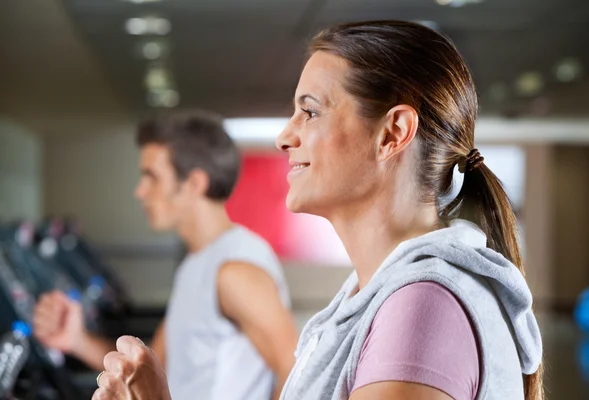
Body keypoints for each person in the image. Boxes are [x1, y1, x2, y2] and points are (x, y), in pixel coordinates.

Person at [91, 20, 544, 400]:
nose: (284, 137)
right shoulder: (370, 299)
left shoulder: (422, 309)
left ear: (393, 133)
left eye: (309, 112)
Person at [33, 110, 298, 400]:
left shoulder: (235, 270)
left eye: (152, 177)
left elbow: (295, 370)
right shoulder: (196, 264)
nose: (140, 191)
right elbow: (148, 366)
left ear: (195, 183)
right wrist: (77, 340)